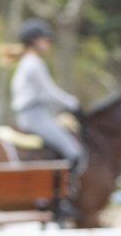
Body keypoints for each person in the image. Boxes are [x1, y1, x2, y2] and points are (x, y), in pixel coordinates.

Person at [5, 18, 85, 176]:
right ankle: (66, 193)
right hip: (36, 117)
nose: (48, 42)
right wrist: (73, 104)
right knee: (74, 151)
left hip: (31, 115)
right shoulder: (34, 63)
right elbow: (49, 93)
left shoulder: (26, 62)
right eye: (45, 38)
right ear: (35, 41)